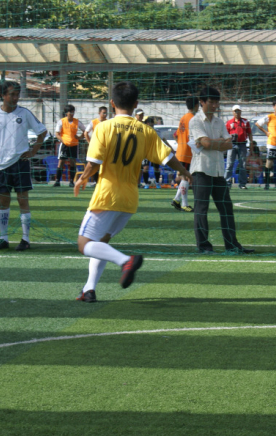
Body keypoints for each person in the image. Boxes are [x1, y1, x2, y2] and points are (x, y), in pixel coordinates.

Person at [73, 81, 191, 302]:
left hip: (107, 195)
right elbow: (168, 157)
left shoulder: (103, 127)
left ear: (111, 103)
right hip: (130, 199)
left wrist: (81, 179)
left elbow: (94, 163)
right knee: (101, 243)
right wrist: (185, 171)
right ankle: (89, 289)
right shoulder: (145, 130)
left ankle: (125, 261)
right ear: (136, 104)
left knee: (84, 244)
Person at [0, 81, 47, 251]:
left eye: (17, 94)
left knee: (23, 200)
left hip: (20, 163)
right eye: (12, 94)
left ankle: (25, 239)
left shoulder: (24, 113)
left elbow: (42, 132)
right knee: (3, 202)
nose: (15, 98)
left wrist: (32, 152)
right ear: (3, 95)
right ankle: (3, 238)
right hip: (1, 165)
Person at [189, 86, 254, 255]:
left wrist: (211, 143)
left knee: (226, 208)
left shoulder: (219, 121)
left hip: (218, 170)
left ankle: (232, 245)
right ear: (202, 102)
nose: (214, 105)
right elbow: (210, 144)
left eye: (216, 101)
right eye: (211, 101)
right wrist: (215, 143)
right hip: (201, 170)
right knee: (201, 209)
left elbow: (229, 143)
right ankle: (204, 246)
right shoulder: (195, 121)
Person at [171, 96, 198, 212]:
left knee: (184, 177)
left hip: (181, 151)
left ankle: (177, 200)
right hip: (187, 153)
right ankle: (184, 204)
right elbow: (192, 137)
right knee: (186, 178)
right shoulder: (193, 119)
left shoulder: (183, 118)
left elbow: (176, 135)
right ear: (197, 105)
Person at [54, 104, 86, 188]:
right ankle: (57, 181)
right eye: (70, 112)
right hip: (64, 145)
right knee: (61, 162)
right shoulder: (61, 121)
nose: (72, 114)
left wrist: (79, 137)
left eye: (73, 112)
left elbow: (85, 131)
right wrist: (63, 140)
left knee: (72, 163)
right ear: (66, 113)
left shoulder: (77, 122)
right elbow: (57, 134)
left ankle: (71, 181)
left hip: (74, 145)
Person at [225, 104, 255, 189]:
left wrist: (251, 143)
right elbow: (225, 134)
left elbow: (249, 133)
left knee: (243, 164)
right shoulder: (229, 122)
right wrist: (229, 139)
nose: (237, 112)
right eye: (235, 111)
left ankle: (242, 184)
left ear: (241, 112)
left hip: (242, 144)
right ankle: (227, 182)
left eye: (238, 111)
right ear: (233, 112)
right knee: (229, 164)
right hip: (232, 144)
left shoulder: (245, 122)